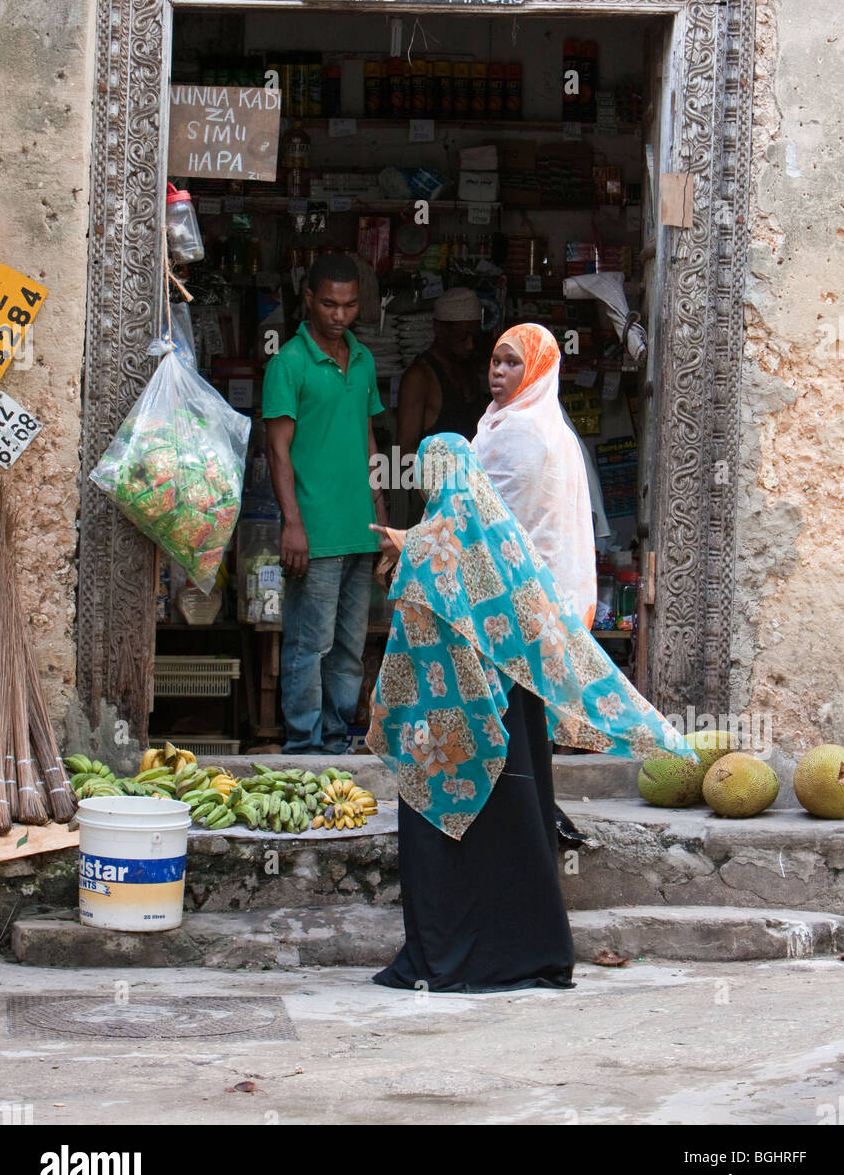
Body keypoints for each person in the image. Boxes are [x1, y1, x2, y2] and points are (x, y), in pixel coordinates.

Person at [366, 433, 697, 993]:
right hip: (514, 723)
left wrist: (407, 554)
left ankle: (448, 958)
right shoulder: (507, 539)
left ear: (428, 476)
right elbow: (540, 630)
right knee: (517, 836)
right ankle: (532, 953)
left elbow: (415, 641)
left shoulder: (427, 547)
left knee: (450, 848)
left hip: (443, 732)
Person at [263, 253, 387, 756]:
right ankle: (303, 745)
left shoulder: (363, 360)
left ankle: (336, 741)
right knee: (307, 646)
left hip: (360, 529)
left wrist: (381, 513)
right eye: (330, 304)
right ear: (309, 300)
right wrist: (293, 524)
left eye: (350, 305)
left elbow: (368, 438)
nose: (340, 315)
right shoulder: (288, 364)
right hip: (314, 533)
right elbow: (277, 450)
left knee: (349, 650)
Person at [474, 322, 597, 630]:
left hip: (521, 595)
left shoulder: (521, 430)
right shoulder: (552, 430)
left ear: (538, 371)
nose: (499, 371)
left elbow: (482, 516)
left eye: (513, 362)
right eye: (496, 361)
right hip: (554, 595)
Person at [395, 286, 485, 460]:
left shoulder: (468, 367)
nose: (470, 345)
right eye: (462, 337)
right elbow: (405, 451)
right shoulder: (419, 378)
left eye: (475, 337)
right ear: (439, 329)